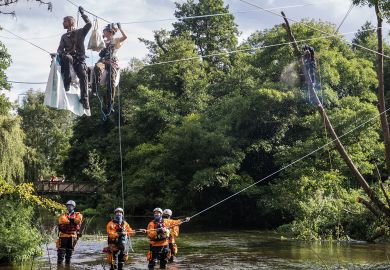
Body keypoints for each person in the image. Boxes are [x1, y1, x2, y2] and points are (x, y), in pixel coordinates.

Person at [56, 6, 92, 110]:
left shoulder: (80, 32)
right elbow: (60, 49)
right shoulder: (64, 36)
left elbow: (89, 24)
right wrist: (60, 54)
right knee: (67, 57)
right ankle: (66, 84)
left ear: (70, 22)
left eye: (65, 21)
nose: (63, 23)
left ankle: (84, 99)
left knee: (83, 75)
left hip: (79, 59)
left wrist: (82, 13)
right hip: (69, 57)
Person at [92, 22, 127, 113]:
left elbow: (125, 37)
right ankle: (95, 87)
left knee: (111, 81)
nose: (103, 33)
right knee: (97, 67)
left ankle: (110, 104)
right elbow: (95, 48)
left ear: (109, 32)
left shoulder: (116, 40)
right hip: (103, 61)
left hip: (112, 62)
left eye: (104, 32)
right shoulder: (103, 42)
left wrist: (120, 28)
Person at [56, 200, 83, 265]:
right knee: (60, 254)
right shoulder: (63, 215)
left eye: (71, 206)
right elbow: (62, 221)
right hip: (63, 236)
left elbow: (78, 221)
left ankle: (67, 266)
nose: (69, 207)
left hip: (73, 236)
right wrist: (72, 220)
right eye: (68, 206)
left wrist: (70, 220)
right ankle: (60, 267)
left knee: (69, 255)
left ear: (74, 207)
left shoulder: (78, 214)